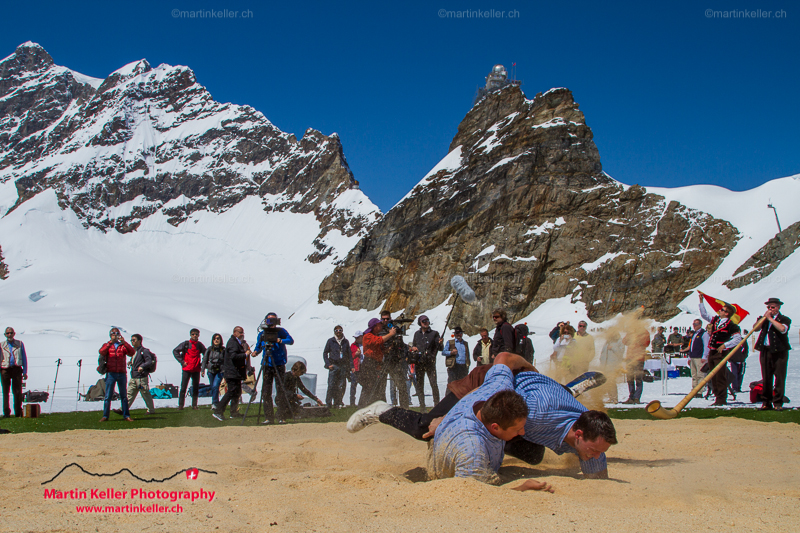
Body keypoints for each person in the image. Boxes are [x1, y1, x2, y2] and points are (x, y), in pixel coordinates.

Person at [698, 294, 743, 406]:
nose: (720, 311)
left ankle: (722, 398)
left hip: (721, 353)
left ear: (727, 313)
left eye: (722, 310)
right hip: (712, 352)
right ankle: (717, 396)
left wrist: (725, 345)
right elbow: (704, 315)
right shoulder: (716, 320)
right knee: (713, 376)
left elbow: (738, 339)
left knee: (720, 376)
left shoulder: (731, 325)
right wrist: (701, 302)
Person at [253, 312, 294, 424]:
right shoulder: (262, 334)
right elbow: (258, 346)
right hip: (267, 364)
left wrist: (279, 340)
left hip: (279, 364)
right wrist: (255, 352)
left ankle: (281, 416)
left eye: (273, 321)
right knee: (266, 391)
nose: (271, 324)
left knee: (280, 390)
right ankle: (268, 417)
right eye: (269, 321)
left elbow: (290, 341)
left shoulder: (281, 332)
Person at [753, 298, 791, 411]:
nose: (770, 309)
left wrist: (770, 319)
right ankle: (766, 402)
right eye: (769, 307)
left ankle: (778, 402)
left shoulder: (784, 319)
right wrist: (765, 318)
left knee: (779, 376)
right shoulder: (763, 319)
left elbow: (783, 329)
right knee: (766, 377)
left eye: (773, 307)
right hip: (766, 350)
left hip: (779, 351)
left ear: (778, 307)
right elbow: (755, 328)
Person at [213, 326, 250, 421]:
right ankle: (218, 411)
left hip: (235, 373)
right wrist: (245, 354)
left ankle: (234, 412)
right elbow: (233, 356)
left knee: (237, 392)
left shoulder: (235, 342)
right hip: (232, 372)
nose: (242, 334)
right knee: (231, 392)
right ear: (235, 332)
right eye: (240, 332)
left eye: (243, 333)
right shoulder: (233, 342)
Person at [358, 318, 396, 407]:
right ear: (375, 326)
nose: (381, 325)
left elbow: (378, 349)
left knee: (376, 387)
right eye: (379, 324)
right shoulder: (368, 336)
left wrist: (388, 349)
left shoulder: (375, 335)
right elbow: (378, 341)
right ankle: (363, 407)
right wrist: (391, 334)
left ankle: (373, 406)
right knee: (368, 387)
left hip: (376, 364)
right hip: (369, 364)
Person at [98, 327, 134, 422]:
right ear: (110, 335)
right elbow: (101, 352)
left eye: (117, 333)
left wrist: (124, 342)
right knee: (108, 396)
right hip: (111, 373)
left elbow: (132, 352)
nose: (115, 335)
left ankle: (126, 415)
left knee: (123, 396)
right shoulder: (107, 345)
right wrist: (110, 342)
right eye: (113, 334)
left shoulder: (122, 346)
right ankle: (105, 415)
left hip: (121, 373)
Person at [379, 311, 411, 410]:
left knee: (401, 386)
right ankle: (382, 409)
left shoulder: (393, 327)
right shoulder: (378, 329)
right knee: (381, 387)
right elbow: (378, 342)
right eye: (383, 319)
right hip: (383, 361)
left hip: (395, 361)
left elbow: (401, 344)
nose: (385, 321)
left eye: (387, 319)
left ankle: (405, 409)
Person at [410, 315, 441, 409]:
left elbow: (440, 348)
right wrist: (413, 348)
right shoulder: (417, 334)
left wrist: (440, 343)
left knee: (433, 384)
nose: (426, 322)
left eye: (427, 320)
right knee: (419, 385)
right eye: (423, 321)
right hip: (419, 363)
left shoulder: (434, 333)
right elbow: (414, 345)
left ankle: (437, 405)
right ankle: (422, 406)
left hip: (430, 363)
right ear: (420, 323)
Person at [173, 329, 206, 410]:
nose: (195, 335)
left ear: (199, 335)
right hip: (186, 369)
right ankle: (181, 405)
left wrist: (202, 363)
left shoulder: (200, 345)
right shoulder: (186, 344)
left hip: (196, 369)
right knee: (183, 387)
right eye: (193, 334)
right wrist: (182, 361)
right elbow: (175, 351)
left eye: (196, 334)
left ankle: (194, 405)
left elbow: (206, 353)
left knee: (195, 388)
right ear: (190, 335)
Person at [1, 327, 27, 418]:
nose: (9, 335)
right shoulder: (2, 345)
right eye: (7, 333)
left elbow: (24, 357)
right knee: (5, 392)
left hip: (16, 369)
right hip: (5, 369)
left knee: (17, 391)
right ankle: (6, 413)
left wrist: (25, 371)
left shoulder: (19, 344)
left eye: (11, 333)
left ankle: (18, 412)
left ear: (14, 334)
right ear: (5, 335)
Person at [126, 334, 156, 415]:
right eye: (131, 340)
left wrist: (142, 366)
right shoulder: (133, 351)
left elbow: (149, 361)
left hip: (141, 377)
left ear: (139, 341)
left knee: (145, 394)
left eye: (134, 340)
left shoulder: (144, 351)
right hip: (134, 376)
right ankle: (123, 409)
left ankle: (151, 410)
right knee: (129, 394)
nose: (132, 342)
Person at [322, 325, 351, 408]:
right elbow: (325, 353)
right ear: (334, 331)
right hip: (334, 365)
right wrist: (328, 364)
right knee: (331, 385)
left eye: (340, 330)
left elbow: (349, 355)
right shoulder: (331, 341)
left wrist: (350, 366)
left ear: (342, 331)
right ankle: (328, 403)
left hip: (343, 365)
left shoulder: (345, 341)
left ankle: (338, 402)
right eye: (336, 330)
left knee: (341, 385)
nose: (338, 332)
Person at [680, 319, 709, 397]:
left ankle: (700, 391)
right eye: (693, 324)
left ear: (700, 325)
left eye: (696, 324)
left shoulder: (704, 334)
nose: (694, 326)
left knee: (700, 375)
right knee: (694, 375)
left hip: (699, 357)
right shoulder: (694, 334)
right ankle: (694, 390)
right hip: (693, 356)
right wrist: (689, 357)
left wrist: (704, 356)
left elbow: (706, 346)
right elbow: (691, 346)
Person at [622, 326, 650, 404]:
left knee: (638, 378)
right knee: (629, 378)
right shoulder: (631, 331)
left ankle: (637, 397)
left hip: (639, 359)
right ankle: (631, 397)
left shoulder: (644, 332)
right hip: (630, 358)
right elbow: (624, 341)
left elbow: (646, 343)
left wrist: (637, 338)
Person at [599, 331, 625, 403]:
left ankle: (615, 398)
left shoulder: (620, 341)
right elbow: (603, 352)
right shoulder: (607, 341)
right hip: (605, 365)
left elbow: (621, 353)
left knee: (612, 381)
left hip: (613, 365)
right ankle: (610, 397)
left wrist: (613, 348)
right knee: (606, 382)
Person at [202, 333, 225, 411]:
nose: (216, 340)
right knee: (213, 387)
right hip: (211, 370)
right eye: (215, 338)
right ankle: (216, 402)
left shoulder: (223, 350)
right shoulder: (209, 349)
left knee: (215, 386)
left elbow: (226, 360)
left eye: (218, 338)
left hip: (220, 370)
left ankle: (215, 403)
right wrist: (203, 370)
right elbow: (205, 359)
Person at [349, 330, 364, 407]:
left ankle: (363, 401)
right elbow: (349, 356)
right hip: (356, 368)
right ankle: (352, 402)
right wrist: (355, 354)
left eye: (358, 337)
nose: (356, 339)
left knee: (365, 385)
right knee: (353, 386)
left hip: (364, 367)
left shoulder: (365, 344)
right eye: (355, 338)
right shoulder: (353, 345)